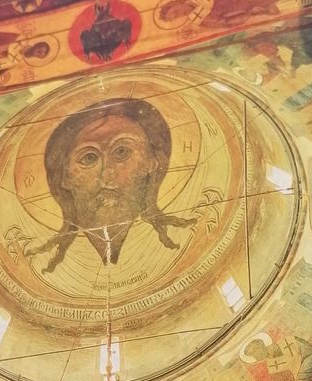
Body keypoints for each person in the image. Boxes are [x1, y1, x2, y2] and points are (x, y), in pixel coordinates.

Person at [32, 98, 195, 270]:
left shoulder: (180, 239)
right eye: (89, 158)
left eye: (122, 152)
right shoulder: (44, 261)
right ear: (64, 177)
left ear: (151, 162)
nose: (107, 176)